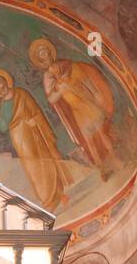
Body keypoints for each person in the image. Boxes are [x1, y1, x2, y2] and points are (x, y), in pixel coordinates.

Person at [28, 37, 120, 180]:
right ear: (39, 59)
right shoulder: (48, 76)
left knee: (102, 133)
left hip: (87, 102)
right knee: (89, 141)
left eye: (45, 51)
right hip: (76, 110)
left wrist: (95, 93)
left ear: (50, 52)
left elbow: (84, 78)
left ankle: (115, 159)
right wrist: (59, 90)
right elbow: (52, 99)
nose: (45, 56)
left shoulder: (66, 64)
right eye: (41, 55)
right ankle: (101, 169)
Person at [0, 69, 71, 210]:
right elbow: (3, 128)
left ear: (6, 81)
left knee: (44, 160)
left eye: (0, 83)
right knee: (32, 167)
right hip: (19, 138)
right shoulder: (1, 105)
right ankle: (46, 199)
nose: (0, 87)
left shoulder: (21, 93)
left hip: (33, 132)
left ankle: (58, 193)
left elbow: (35, 110)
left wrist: (35, 119)